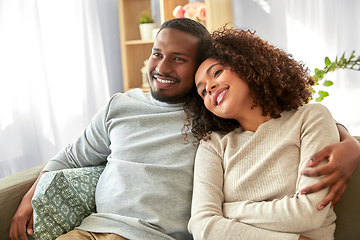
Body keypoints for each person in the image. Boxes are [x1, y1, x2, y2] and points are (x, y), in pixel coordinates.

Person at [9, 19, 360, 240]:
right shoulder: (130, 110)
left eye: (179, 59)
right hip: (96, 229)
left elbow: (298, 123)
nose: (162, 66)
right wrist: (30, 197)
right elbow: (70, 157)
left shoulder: (210, 121)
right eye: (157, 53)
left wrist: (351, 144)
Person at [184, 27, 356, 240]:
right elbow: (202, 226)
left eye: (217, 73)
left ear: (246, 64)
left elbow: (308, 213)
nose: (209, 88)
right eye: (202, 92)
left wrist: (228, 210)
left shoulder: (310, 118)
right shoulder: (213, 145)